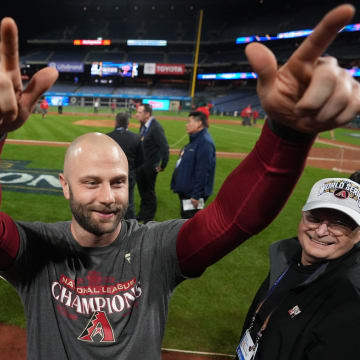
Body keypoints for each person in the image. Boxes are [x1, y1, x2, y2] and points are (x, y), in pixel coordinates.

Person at [1, 5, 360, 358]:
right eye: (91, 182)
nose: (109, 197)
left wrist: (286, 136)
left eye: (119, 182)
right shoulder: (38, 249)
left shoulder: (155, 249)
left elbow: (234, 218)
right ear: (64, 185)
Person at [237, 177, 360, 360]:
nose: (321, 231)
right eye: (315, 218)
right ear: (303, 215)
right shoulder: (287, 258)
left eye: (339, 223)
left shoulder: (350, 298)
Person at [170, 111, 216, 218]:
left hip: (193, 194)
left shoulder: (205, 142)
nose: (186, 124)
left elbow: (203, 171)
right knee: (186, 219)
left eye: (189, 122)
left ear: (199, 123)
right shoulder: (196, 139)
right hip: (187, 190)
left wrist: (196, 195)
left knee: (190, 221)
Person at [135, 103, 169, 223]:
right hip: (141, 167)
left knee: (149, 193)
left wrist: (163, 164)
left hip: (150, 167)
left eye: (139, 112)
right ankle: (142, 213)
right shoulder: (143, 125)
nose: (136, 114)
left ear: (147, 114)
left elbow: (164, 147)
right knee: (142, 192)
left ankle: (149, 218)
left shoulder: (156, 127)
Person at [107, 112, 144, 219]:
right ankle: (131, 230)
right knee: (128, 202)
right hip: (128, 175)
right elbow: (141, 160)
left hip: (110, 176)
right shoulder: (136, 138)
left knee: (109, 201)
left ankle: (111, 223)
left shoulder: (107, 137)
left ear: (116, 122)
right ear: (128, 123)